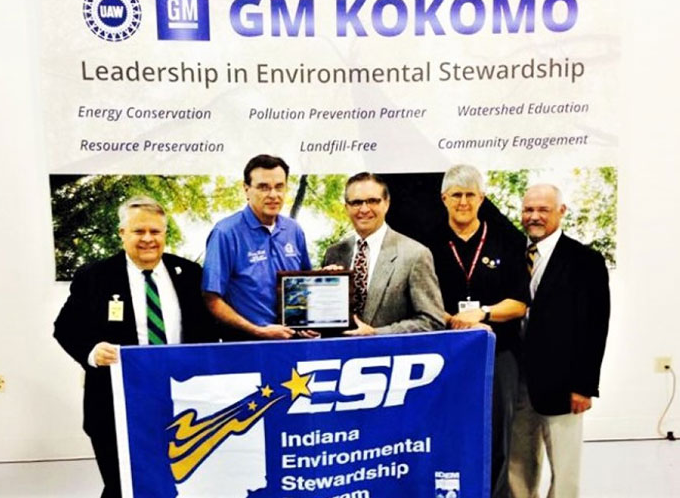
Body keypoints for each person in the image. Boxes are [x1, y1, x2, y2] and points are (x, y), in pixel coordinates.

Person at [53, 195, 213, 498]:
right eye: (139, 231)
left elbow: (209, 331)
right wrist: (92, 351)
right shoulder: (95, 277)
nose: (148, 239)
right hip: (115, 405)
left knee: (180, 483)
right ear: (122, 233)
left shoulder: (189, 274)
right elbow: (65, 328)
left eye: (155, 231)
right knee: (123, 486)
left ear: (165, 233)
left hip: (181, 401)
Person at [428, 165, 530, 498]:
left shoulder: (507, 241)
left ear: (482, 198)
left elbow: (519, 303)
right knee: (447, 430)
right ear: (444, 198)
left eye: (470, 195)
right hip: (446, 355)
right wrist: (451, 319)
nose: (463, 202)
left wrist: (483, 313)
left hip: (498, 354)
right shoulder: (427, 243)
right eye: (456, 195)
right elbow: (421, 299)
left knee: (496, 435)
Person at [508, 184, 610, 498]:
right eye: (529, 210)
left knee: (565, 471)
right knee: (518, 466)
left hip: (563, 384)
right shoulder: (512, 255)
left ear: (561, 211)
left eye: (543, 210)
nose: (534, 216)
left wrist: (585, 386)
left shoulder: (585, 261)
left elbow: (595, 327)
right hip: (516, 380)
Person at [202, 154, 313, 340]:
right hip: (246, 345)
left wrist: (309, 321)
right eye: (263, 187)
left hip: (293, 345)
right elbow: (212, 299)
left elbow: (305, 287)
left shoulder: (294, 230)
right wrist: (257, 330)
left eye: (279, 187)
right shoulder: (225, 233)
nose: (273, 195)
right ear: (246, 189)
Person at [322, 172, 445, 335]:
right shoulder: (334, 253)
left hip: (389, 350)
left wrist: (376, 334)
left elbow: (432, 321)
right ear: (347, 207)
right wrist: (314, 325)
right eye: (356, 202)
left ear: (387, 203)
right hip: (338, 351)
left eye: (373, 201)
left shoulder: (415, 254)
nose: (364, 209)